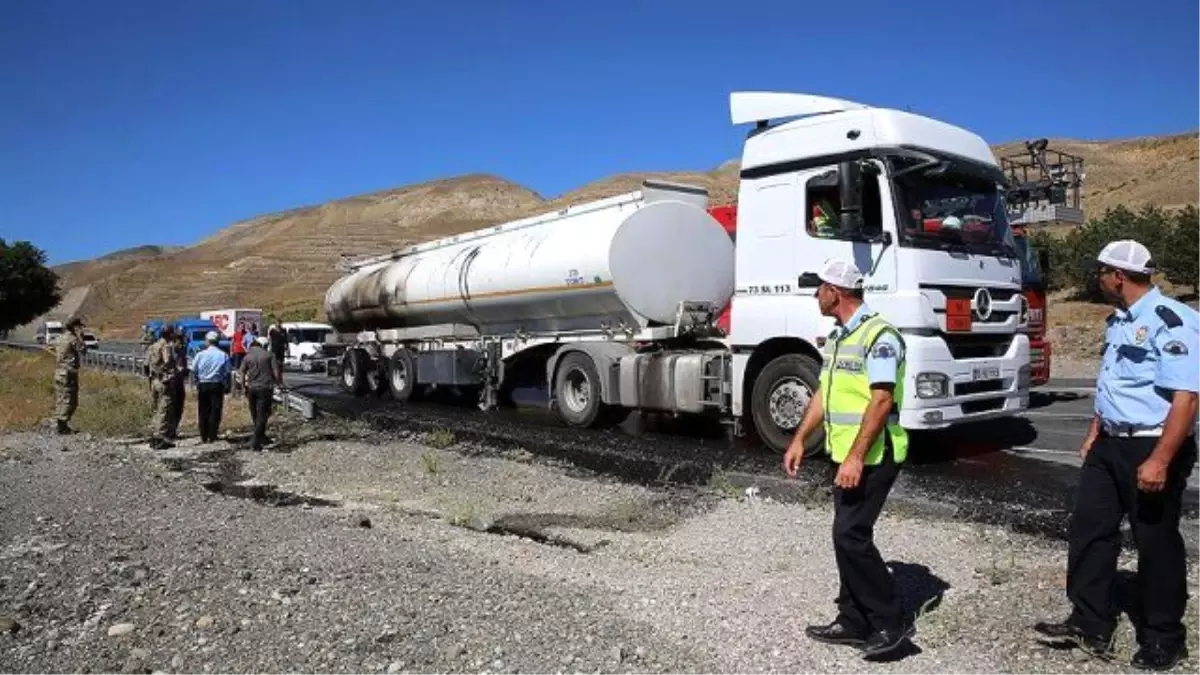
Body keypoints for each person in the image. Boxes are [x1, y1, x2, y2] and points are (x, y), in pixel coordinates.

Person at [1035, 240, 1200, 670]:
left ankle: (1165, 636)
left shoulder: (1173, 320)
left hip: (1152, 444)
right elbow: (1114, 384)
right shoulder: (1119, 321)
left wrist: (1161, 459)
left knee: (1155, 540)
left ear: (1118, 276)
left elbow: (1186, 398)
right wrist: (1095, 430)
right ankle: (1090, 621)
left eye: (1102, 272)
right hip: (1110, 442)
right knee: (1090, 529)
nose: (1099, 279)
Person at [782, 257, 913, 659]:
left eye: (819, 288)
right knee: (846, 532)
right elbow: (824, 393)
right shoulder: (840, 337)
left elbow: (882, 398)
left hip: (875, 452)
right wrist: (800, 438)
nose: (816, 295)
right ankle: (854, 619)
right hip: (847, 451)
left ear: (834, 292)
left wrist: (856, 457)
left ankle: (891, 622)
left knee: (851, 534)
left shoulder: (880, 336)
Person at [239, 336, 278, 451]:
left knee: (255, 414)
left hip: (251, 388)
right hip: (265, 388)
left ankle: (261, 437)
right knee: (263, 414)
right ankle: (255, 440)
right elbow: (275, 371)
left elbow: (241, 372)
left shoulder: (248, 356)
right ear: (265, 345)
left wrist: (243, 387)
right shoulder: (270, 355)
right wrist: (279, 383)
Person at [192, 331, 231, 443]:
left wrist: (196, 382)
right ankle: (212, 435)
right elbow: (228, 372)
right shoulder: (223, 355)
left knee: (203, 410)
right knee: (215, 410)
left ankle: (203, 435)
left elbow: (194, 370)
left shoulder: (200, 354)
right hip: (217, 384)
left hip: (203, 384)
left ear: (207, 341)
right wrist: (227, 386)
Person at [144, 325, 179, 449]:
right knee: (164, 408)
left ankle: (153, 433)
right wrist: (172, 371)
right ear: (170, 334)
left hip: (154, 380)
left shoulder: (153, 346)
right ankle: (160, 437)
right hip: (163, 380)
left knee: (155, 407)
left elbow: (146, 364)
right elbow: (167, 361)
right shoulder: (166, 346)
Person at [52, 317, 87, 434]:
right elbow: (82, 350)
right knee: (69, 399)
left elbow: (53, 347)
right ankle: (62, 426)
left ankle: (60, 424)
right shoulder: (72, 338)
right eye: (79, 326)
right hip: (68, 372)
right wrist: (81, 337)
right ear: (74, 326)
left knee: (60, 398)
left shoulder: (60, 338)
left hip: (59, 371)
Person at [167, 331, 188, 440]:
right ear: (173, 342)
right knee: (170, 407)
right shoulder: (167, 352)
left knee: (179, 407)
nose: (181, 345)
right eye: (179, 343)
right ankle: (168, 431)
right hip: (170, 382)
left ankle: (174, 430)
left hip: (179, 382)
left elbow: (184, 365)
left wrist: (184, 370)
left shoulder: (181, 352)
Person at [268, 318, 288, 383]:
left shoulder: (284, 330)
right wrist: (269, 349)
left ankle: (280, 381)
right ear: (275, 324)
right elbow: (270, 340)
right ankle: (274, 381)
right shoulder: (272, 331)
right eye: (277, 323)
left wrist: (287, 348)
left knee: (280, 366)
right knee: (274, 365)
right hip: (274, 350)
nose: (278, 324)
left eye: (279, 323)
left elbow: (286, 340)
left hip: (281, 350)